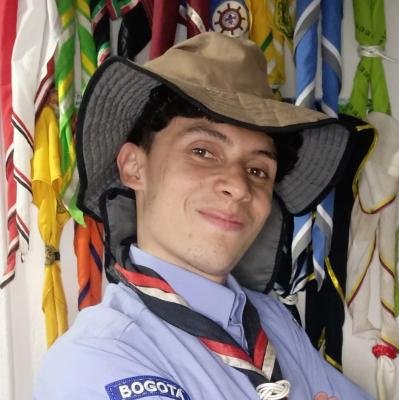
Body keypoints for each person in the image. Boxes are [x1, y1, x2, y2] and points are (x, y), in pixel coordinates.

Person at [33, 32, 374, 400]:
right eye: (203, 152)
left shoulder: (274, 321)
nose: (239, 187)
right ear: (134, 166)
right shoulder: (97, 358)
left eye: (258, 170)